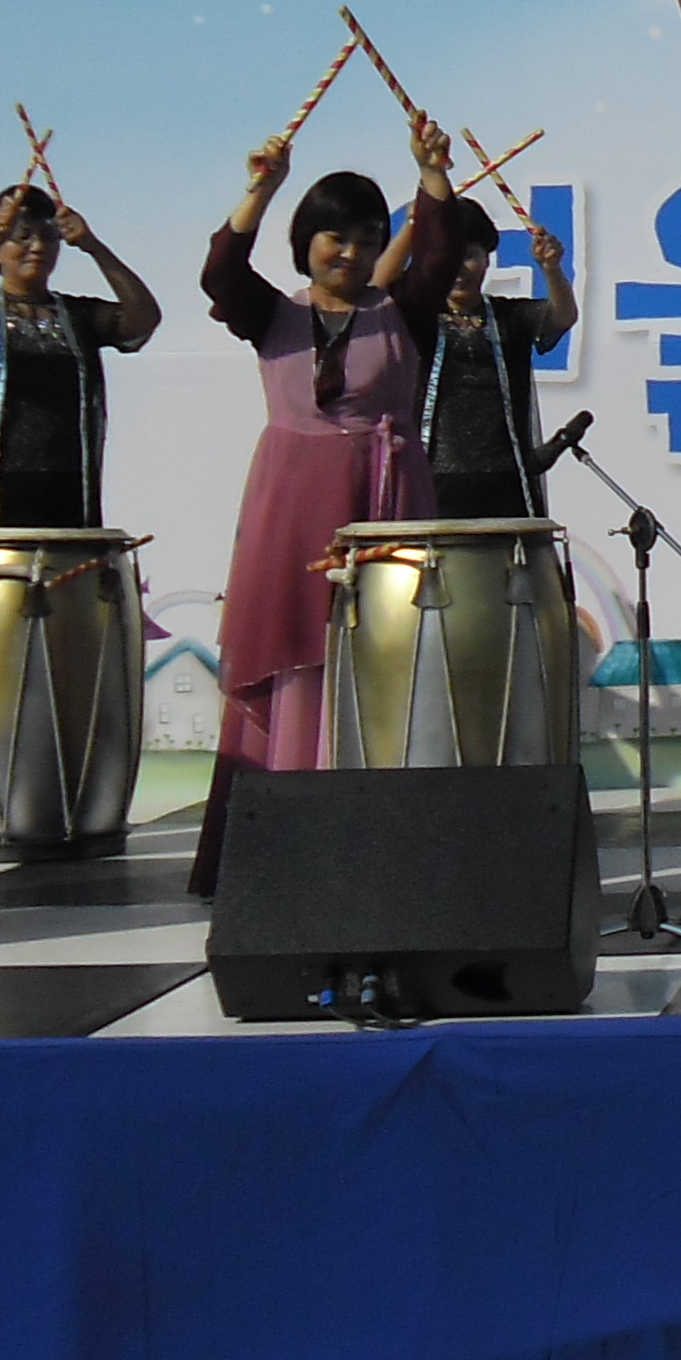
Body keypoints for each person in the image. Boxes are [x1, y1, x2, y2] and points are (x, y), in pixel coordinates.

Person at [193, 112, 462, 885]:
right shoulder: (270, 313)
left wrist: (432, 172)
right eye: (335, 237)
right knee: (291, 659)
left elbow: (439, 254)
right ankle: (280, 849)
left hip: (386, 501)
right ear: (306, 240)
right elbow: (220, 273)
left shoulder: (402, 312)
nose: (350, 253)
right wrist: (261, 188)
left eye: (368, 240)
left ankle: (384, 845)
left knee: (383, 657)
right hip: (291, 506)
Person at [0, 182, 163, 533]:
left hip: (65, 491)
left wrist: (92, 245)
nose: (38, 247)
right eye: (22, 236)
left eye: (49, 237)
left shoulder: (78, 316)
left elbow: (143, 319)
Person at [419, 196, 582, 520]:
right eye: (446, 257)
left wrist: (551, 270)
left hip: (506, 480)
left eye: (468, 256)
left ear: (487, 259)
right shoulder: (416, 319)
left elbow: (562, 317)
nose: (457, 269)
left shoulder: (509, 316)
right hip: (433, 481)